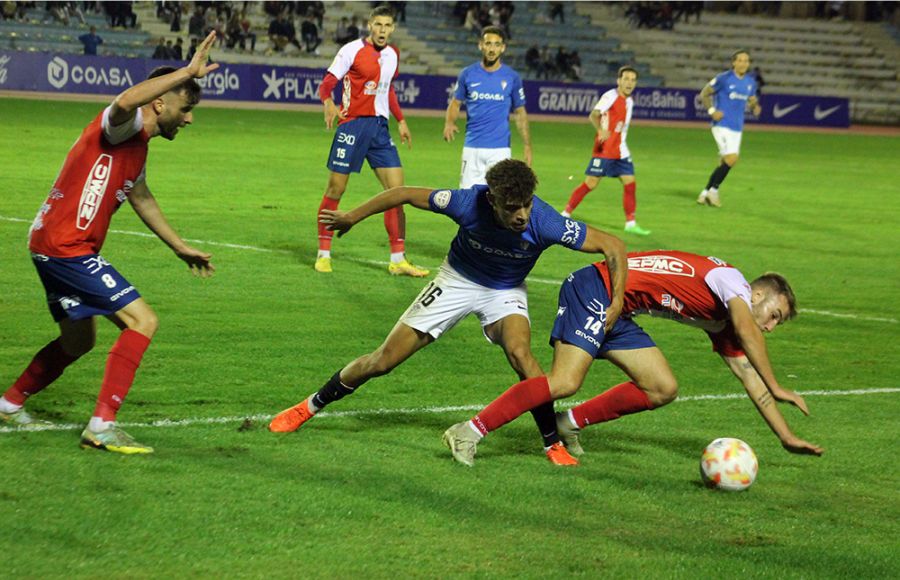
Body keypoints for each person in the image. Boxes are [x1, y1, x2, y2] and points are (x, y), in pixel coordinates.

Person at [270, 159, 627, 467]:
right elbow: (403, 193)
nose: (521, 215)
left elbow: (613, 246)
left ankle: (552, 442)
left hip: (505, 290)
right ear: (492, 200)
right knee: (383, 361)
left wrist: (618, 300)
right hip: (456, 281)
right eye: (511, 207)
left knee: (522, 355)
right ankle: (311, 405)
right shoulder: (466, 202)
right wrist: (351, 217)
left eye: (526, 205)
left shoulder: (546, 222)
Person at [0, 31, 220, 454]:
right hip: (67, 246)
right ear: (160, 102)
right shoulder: (124, 126)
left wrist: (179, 246)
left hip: (55, 244)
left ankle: (9, 403)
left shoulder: (137, 148)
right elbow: (122, 103)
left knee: (79, 342)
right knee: (144, 321)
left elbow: (141, 197)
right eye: (186, 108)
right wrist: (187, 71)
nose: (189, 119)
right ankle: (102, 426)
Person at [443, 250, 824, 467]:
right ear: (758, 295)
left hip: (620, 310)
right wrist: (778, 386)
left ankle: (567, 423)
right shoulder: (732, 282)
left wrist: (786, 436)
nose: (771, 326)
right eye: (774, 315)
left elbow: (750, 380)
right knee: (565, 381)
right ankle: (469, 430)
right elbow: (750, 334)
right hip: (597, 287)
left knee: (662, 387)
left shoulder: (728, 319)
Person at [313, 4, 427, 276]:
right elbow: (327, 83)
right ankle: (323, 253)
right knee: (335, 190)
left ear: (393, 28)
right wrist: (328, 102)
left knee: (397, 194)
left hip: (380, 128)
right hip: (352, 126)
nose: (382, 30)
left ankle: (398, 259)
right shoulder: (351, 50)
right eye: (378, 25)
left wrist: (400, 120)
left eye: (387, 26)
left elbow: (388, 90)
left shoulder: (393, 54)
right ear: (369, 25)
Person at [562, 66, 650, 237]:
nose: (629, 83)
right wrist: (601, 130)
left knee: (630, 183)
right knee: (591, 183)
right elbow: (594, 114)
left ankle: (630, 223)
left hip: (621, 151)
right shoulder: (610, 96)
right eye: (626, 79)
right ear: (619, 81)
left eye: (633, 80)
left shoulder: (630, 101)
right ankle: (565, 214)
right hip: (605, 150)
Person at [443, 26, 531, 189]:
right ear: (480, 45)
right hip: (472, 147)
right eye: (488, 43)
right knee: (467, 199)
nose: (492, 49)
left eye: (497, 44)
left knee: (499, 199)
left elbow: (520, 112)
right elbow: (455, 103)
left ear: (503, 48)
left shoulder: (512, 77)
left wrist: (527, 144)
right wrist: (449, 123)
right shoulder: (468, 74)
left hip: (500, 150)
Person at [697, 50, 761, 208]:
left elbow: (752, 99)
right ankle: (714, 192)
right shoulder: (723, 78)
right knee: (732, 158)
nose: (743, 63)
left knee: (725, 162)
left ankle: (705, 193)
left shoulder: (750, 82)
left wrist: (754, 106)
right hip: (722, 125)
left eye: (746, 61)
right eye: (740, 60)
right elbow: (704, 93)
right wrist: (712, 111)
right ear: (733, 62)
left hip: (737, 127)